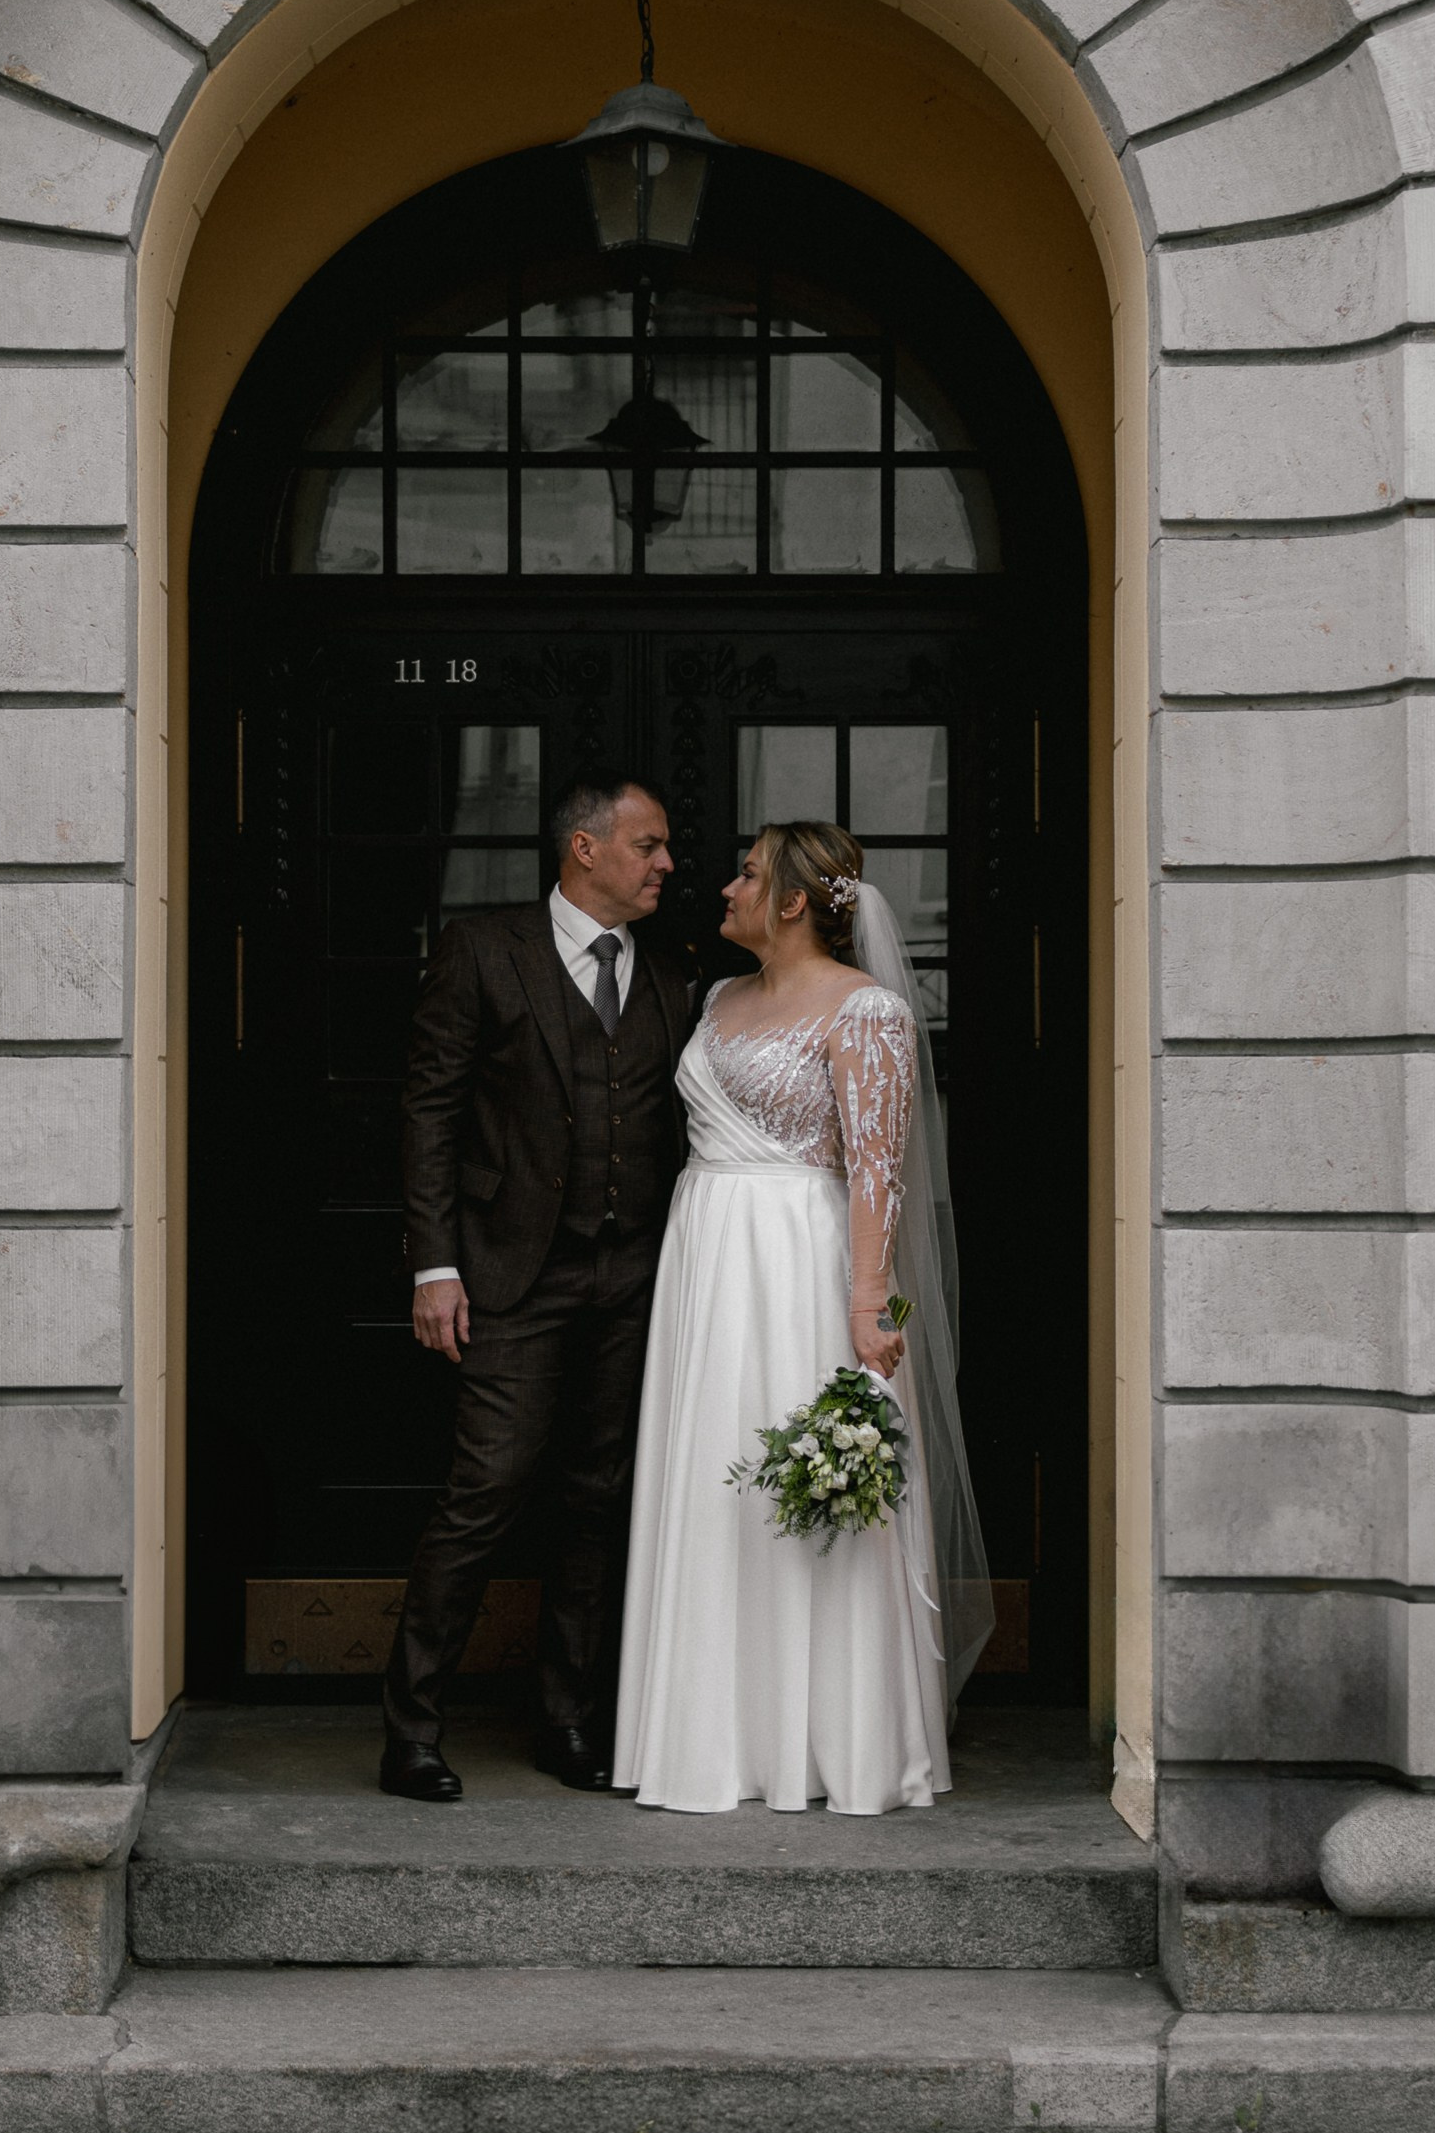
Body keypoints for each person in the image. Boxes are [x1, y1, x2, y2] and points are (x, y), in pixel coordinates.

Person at [612, 818, 992, 1815]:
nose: (724, 887)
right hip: (707, 1258)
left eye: (745, 874)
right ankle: (710, 1736)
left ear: (790, 902)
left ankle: (830, 1745)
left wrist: (876, 1308)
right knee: (711, 1486)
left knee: (803, 1494)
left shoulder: (866, 1013)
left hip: (802, 1265)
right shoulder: (719, 998)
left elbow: (884, 1176)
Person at [382, 770, 695, 1803]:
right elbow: (429, 1111)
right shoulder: (483, 950)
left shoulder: (669, 974)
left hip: (631, 1277)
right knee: (484, 1495)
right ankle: (411, 1732)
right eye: (648, 846)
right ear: (586, 850)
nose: (666, 864)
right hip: (513, 1277)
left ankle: (567, 1724)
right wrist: (437, 1265)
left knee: (598, 1502)